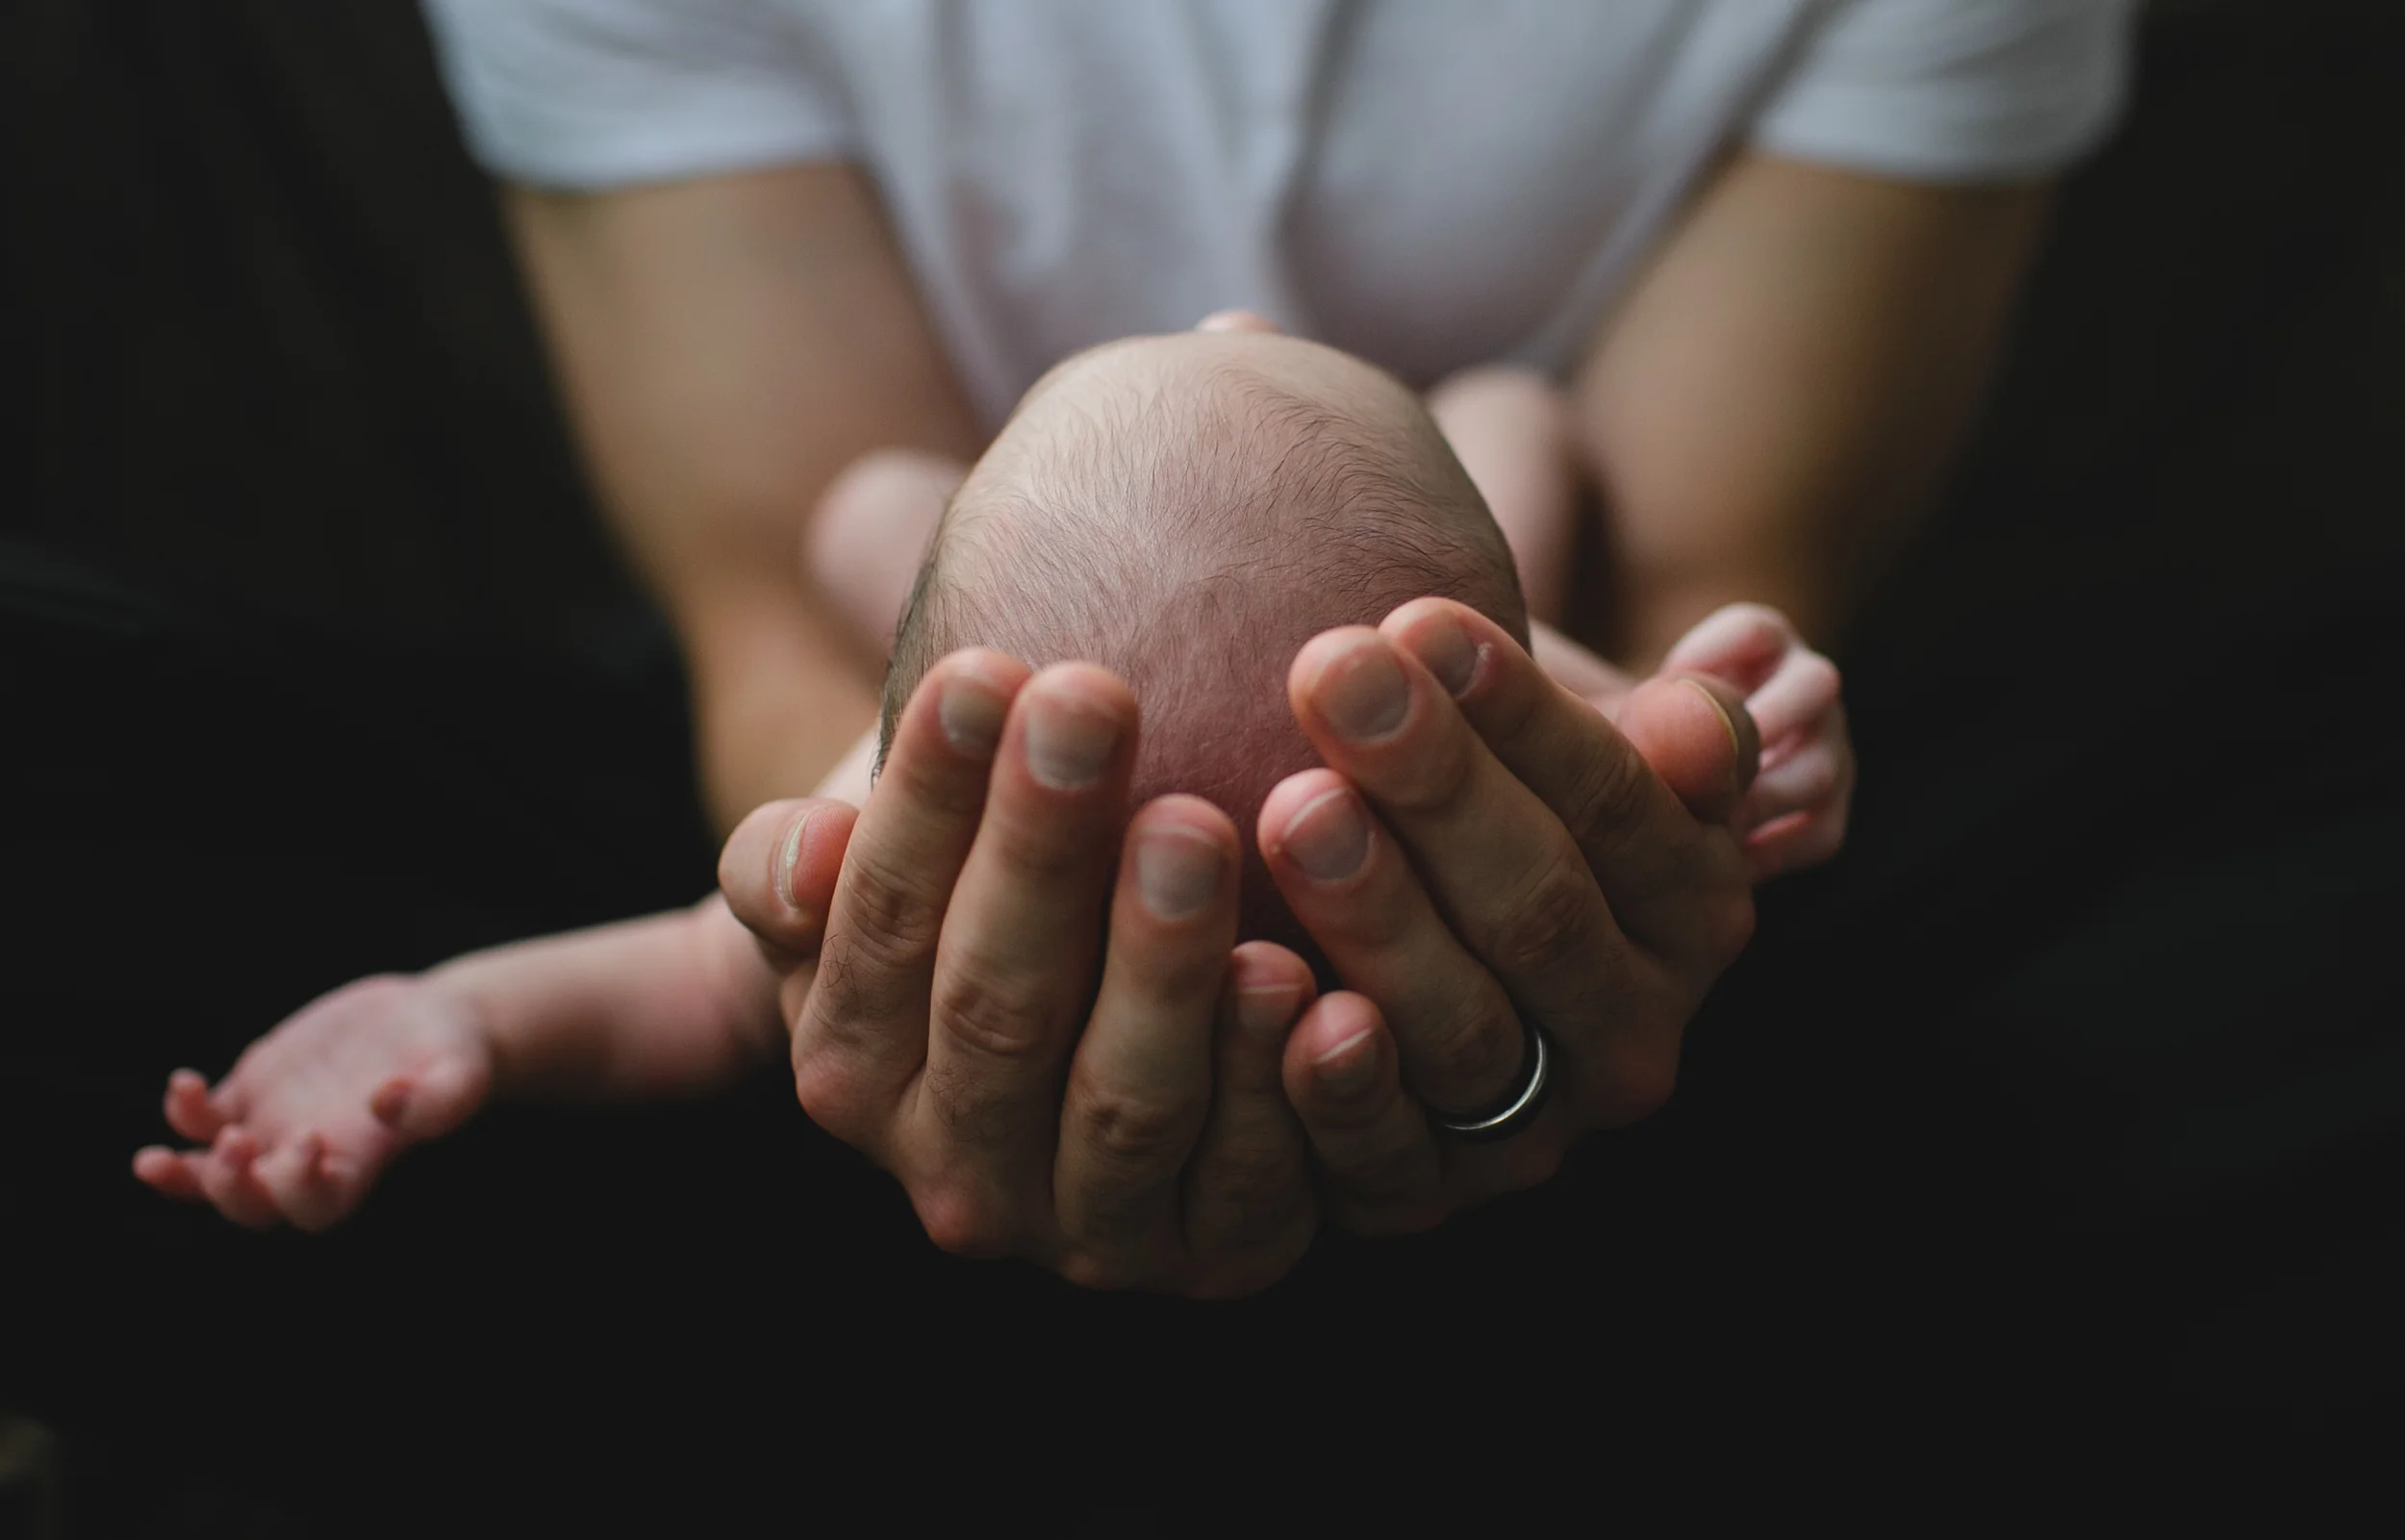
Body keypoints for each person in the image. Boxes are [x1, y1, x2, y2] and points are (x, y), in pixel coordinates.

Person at [132, 325, 1848, 1296]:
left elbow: (682, 971)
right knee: (1504, 422)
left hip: (1329, 583)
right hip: (1103, 553)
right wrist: (1742, 724)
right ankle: (965, 505)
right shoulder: (925, 820)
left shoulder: (1479, 697)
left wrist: (1725, 737)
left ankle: (957, 507)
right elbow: (688, 965)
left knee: (1501, 434)